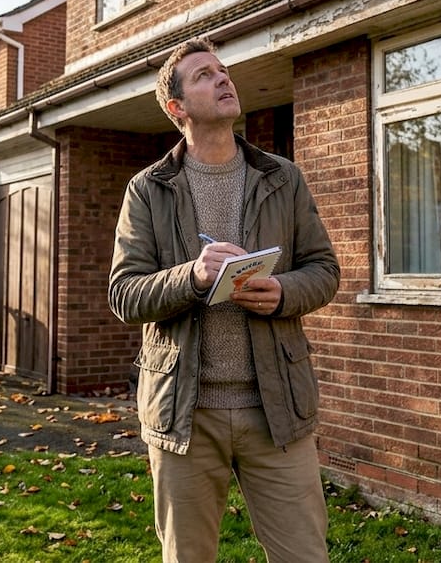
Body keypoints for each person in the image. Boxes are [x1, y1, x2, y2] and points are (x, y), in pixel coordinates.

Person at [108, 37, 341, 562]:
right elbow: (124, 293)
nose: (223, 79)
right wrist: (192, 276)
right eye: (204, 75)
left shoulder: (282, 177)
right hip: (185, 414)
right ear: (177, 108)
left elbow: (324, 270)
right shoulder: (148, 189)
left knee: (305, 555)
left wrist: (283, 292)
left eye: (223, 70)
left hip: (277, 408)